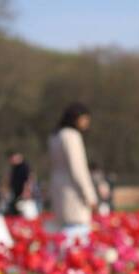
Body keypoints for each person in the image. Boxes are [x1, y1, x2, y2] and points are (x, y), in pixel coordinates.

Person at [48, 102, 98, 246]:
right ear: (76, 119)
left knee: (64, 226)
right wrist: (90, 196)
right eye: (85, 119)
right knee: (77, 229)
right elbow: (78, 169)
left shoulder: (55, 136)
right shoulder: (71, 136)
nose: (87, 123)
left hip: (58, 186)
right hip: (73, 189)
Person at [7, 151, 31, 215]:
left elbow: (27, 180)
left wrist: (26, 191)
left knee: (23, 209)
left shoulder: (24, 167)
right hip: (16, 192)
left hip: (22, 192)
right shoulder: (14, 168)